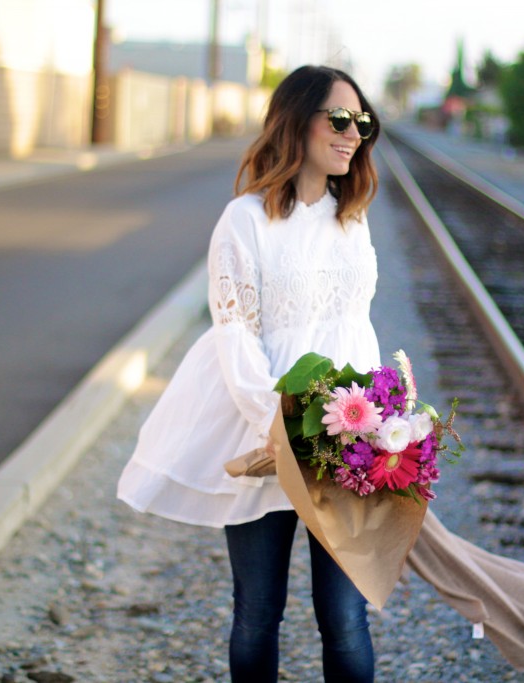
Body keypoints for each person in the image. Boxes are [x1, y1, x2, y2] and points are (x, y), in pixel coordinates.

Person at [117, 65, 382, 682]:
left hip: (345, 442)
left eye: (361, 123)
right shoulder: (244, 220)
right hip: (267, 436)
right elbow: (236, 337)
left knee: (345, 617)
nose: (352, 134)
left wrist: (380, 421)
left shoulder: (354, 219)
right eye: (339, 119)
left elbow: (355, 331)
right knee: (258, 612)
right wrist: (282, 430)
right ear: (297, 122)